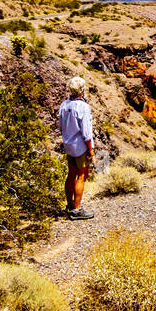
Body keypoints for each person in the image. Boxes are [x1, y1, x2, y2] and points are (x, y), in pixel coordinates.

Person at [59, 76, 95, 219]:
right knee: (81, 176)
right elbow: (86, 132)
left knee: (71, 174)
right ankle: (77, 210)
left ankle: (69, 205)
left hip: (68, 145)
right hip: (80, 146)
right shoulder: (83, 107)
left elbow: (60, 127)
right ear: (81, 91)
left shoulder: (64, 105)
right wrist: (90, 149)